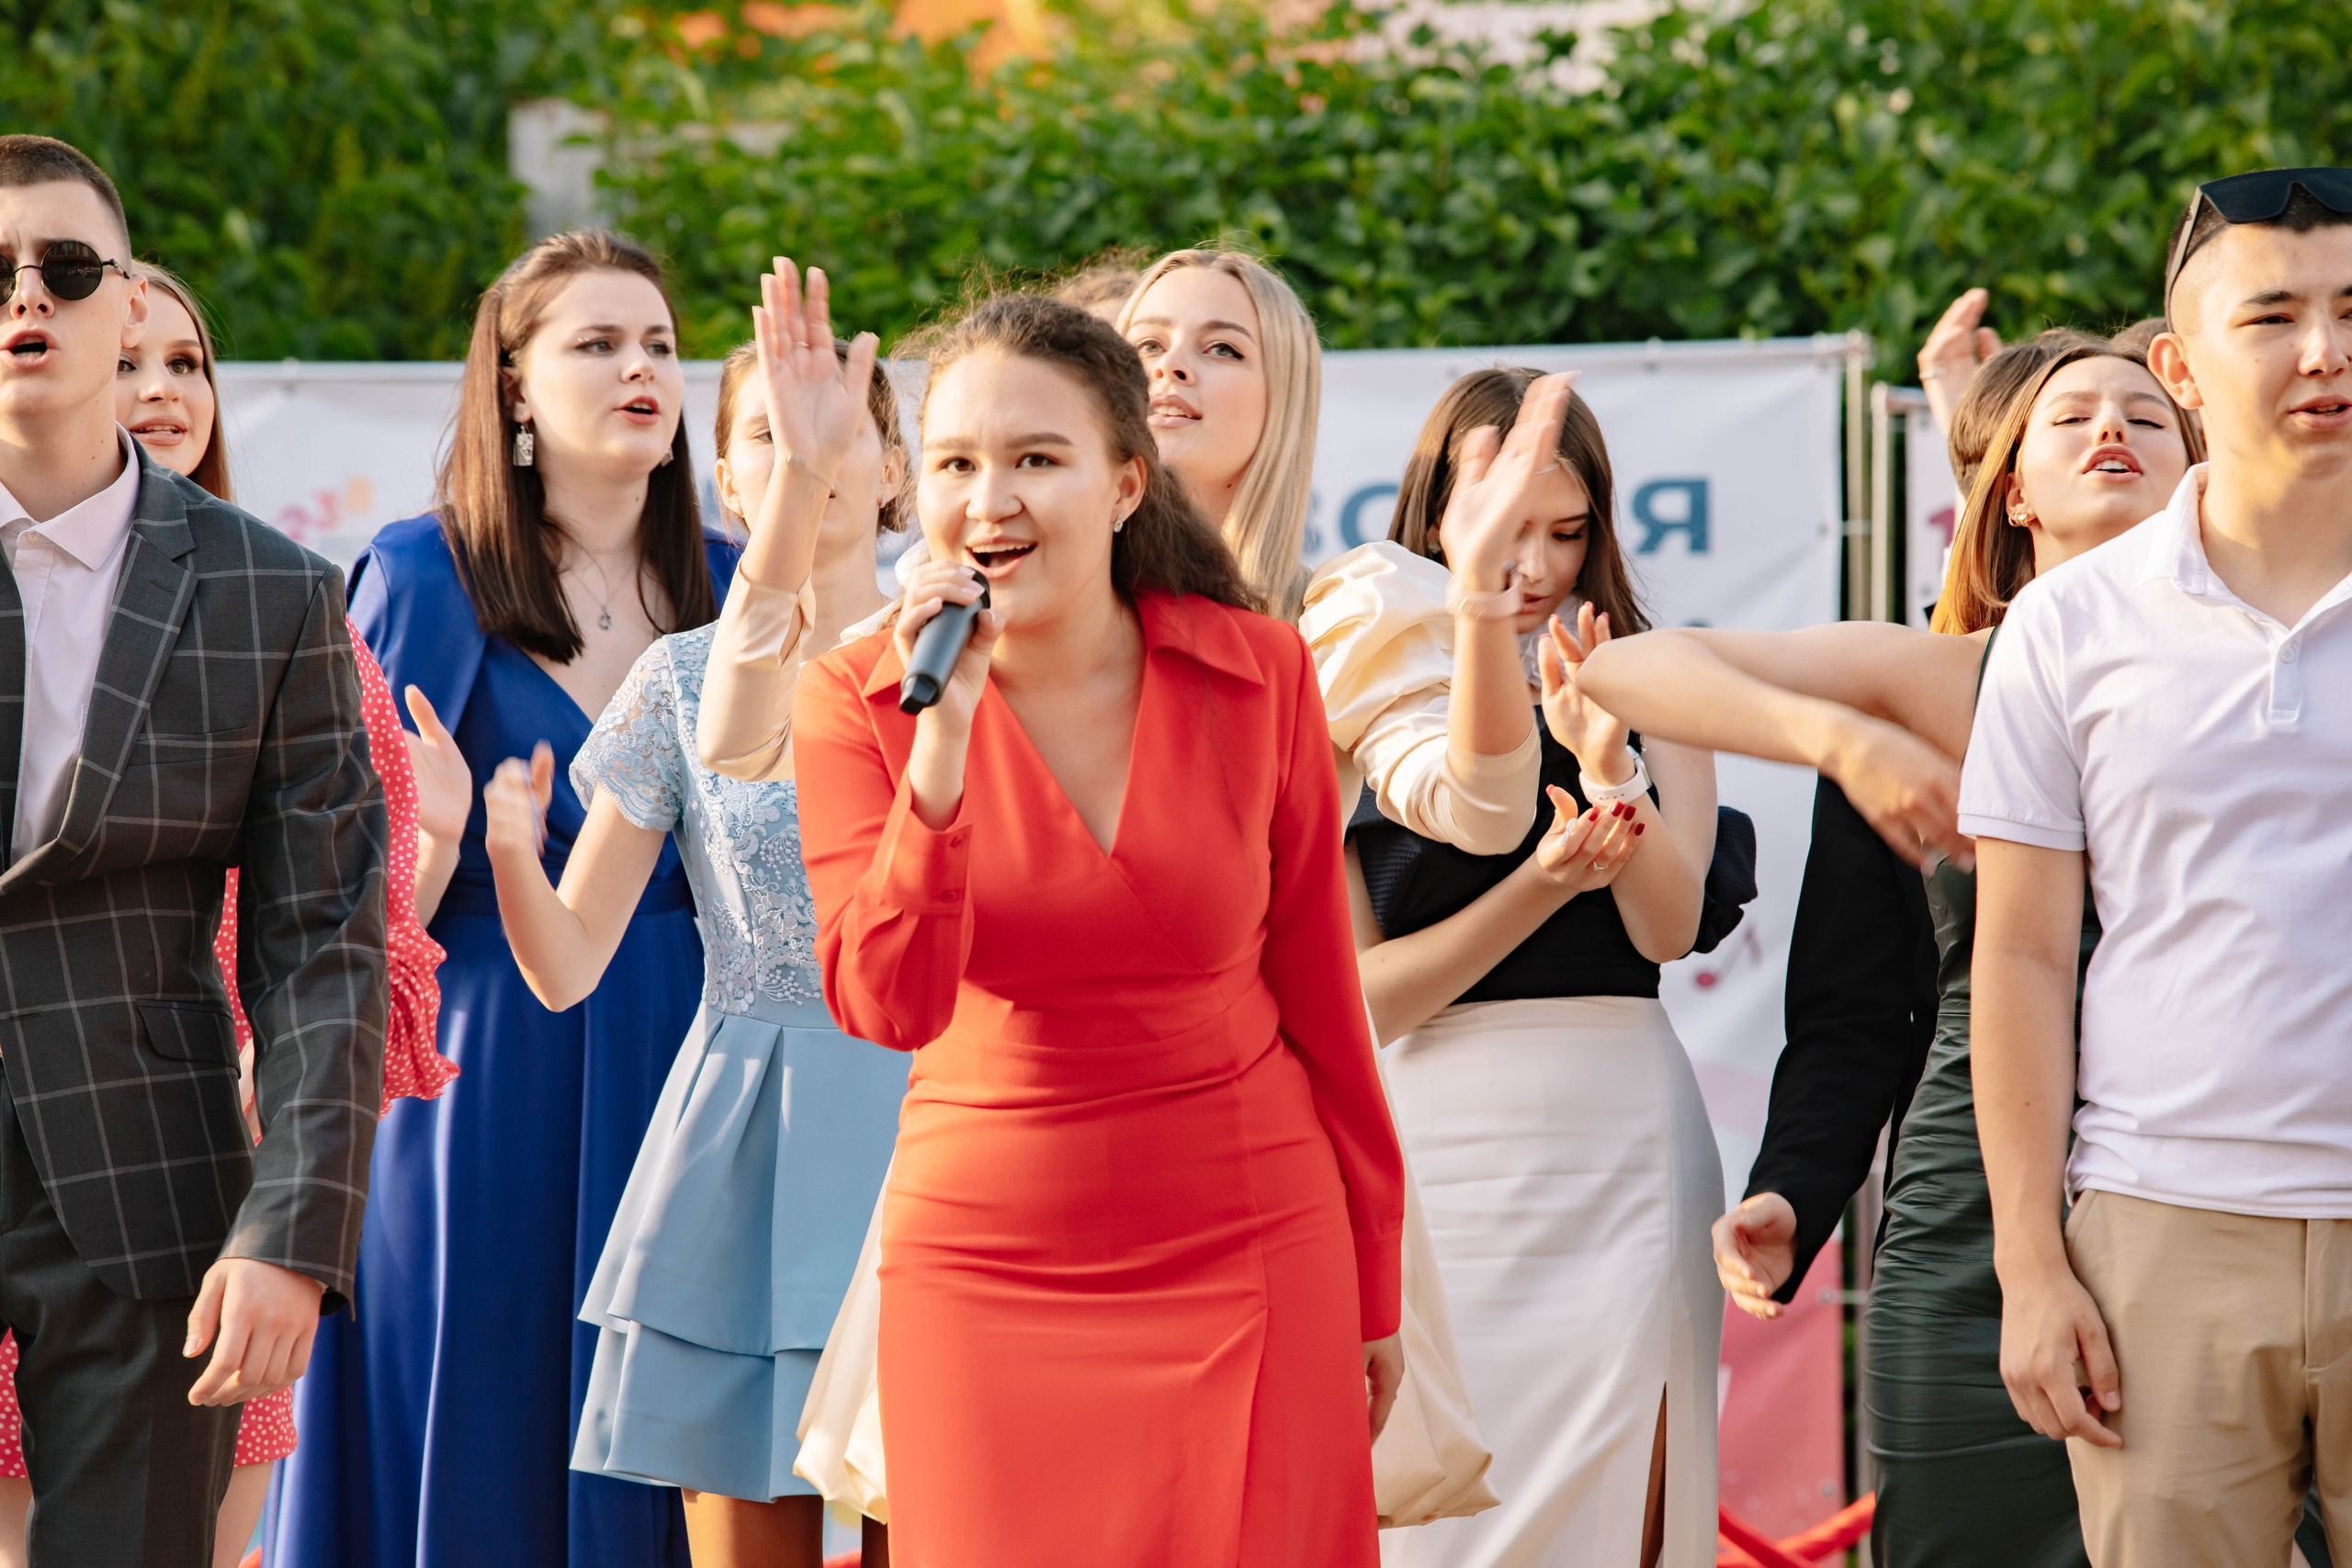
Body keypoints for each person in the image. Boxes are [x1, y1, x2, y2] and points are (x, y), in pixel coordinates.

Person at [790, 292, 1405, 1566]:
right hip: (984, 1263)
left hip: (1250, 1241)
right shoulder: (859, 702)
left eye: (1036, 459)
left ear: (1126, 484)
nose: (989, 498)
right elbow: (885, 1001)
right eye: (956, 463)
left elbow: (1323, 1003)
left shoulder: (1261, 671)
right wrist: (942, 753)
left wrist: (1375, 1273)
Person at [1577, 326, 2203, 1568]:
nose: (2111, 428)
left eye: (2147, 411)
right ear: (2011, 491)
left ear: (2207, 470)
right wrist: (1793, 1190)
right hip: (1968, 1225)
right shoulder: (1928, 684)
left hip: (2214, 1205)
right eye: (2068, 416)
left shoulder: (2287, 680)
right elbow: (1860, 1014)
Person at [265, 230, 741, 1568]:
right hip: (474, 1067)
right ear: (514, 385)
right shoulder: (425, 574)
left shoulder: (732, 580)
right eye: (595, 342)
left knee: (670, 1437)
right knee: (468, 1397)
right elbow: (335, 883)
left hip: (690, 1048)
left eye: (656, 341)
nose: (639, 366)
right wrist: (440, 843)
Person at [0, 261, 458, 1568]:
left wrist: (282, 1178)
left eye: (184, 363)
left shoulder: (291, 611)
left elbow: (351, 935)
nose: (153, 387)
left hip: (178, 1163)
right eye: (129, 356)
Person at [488, 267, 904, 1568]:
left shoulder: (971, 653)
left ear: (896, 468)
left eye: (843, 427)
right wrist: (507, 844)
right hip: (746, 1141)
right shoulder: (676, 683)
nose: (814, 454)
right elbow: (564, 966)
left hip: (936, 1124)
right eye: (773, 431)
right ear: (726, 479)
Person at [1965, 169, 2352, 1566]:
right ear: (2181, 366)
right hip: (2162, 1233)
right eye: (2277, 315)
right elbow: (2018, 954)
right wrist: (2029, 1261)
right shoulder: (2069, 621)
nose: (2327, 350)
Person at [1326, 368, 1720, 1568]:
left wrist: (1615, 775)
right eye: (1510, 523)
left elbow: (1668, 924)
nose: (1538, 561)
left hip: (1625, 1139)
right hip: (1433, 1144)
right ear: (1436, 511)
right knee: (1435, 1516)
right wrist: (1539, 882)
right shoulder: (1363, 685)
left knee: (1619, 1504)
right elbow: (1363, 995)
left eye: (1569, 529)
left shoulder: (1658, 671)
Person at [1117, 246, 1320, 617]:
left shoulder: (1340, 625)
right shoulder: (1030, 598)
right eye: (1148, 344)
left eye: (1222, 349)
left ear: (1283, 397)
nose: (1169, 364)